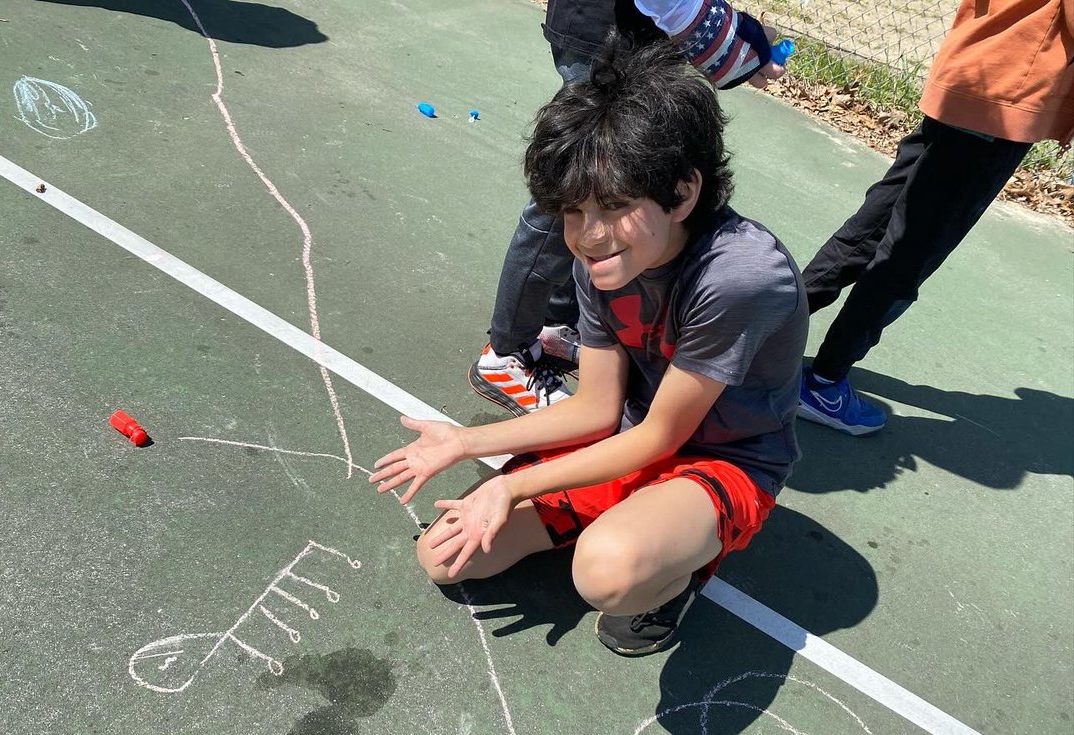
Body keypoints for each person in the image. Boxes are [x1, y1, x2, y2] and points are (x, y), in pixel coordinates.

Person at [372, 36, 808, 657]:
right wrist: (465, 442)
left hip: (723, 458)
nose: (588, 235)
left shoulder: (737, 277)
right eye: (573, 212)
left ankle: (674, 575)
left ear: (683, 193)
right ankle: (614, 516)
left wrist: (513, 487)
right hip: (627, 435)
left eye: (616, 206)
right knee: (443, 555)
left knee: (605, 572)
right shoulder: (604, 257)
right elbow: (598, 409)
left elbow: (664, 438)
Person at [470, 0, 787, 417]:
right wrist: (726, 39)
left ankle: (555, 325)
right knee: (578, 191)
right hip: (611, 30)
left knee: (604, 199)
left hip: (643, 32)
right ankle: (506, 351)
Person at [797, 0, 1074, 435]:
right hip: (1005, 101)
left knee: (872, 230)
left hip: (971, 71)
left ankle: (751, 331)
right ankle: (823, 381)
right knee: (908, 255)